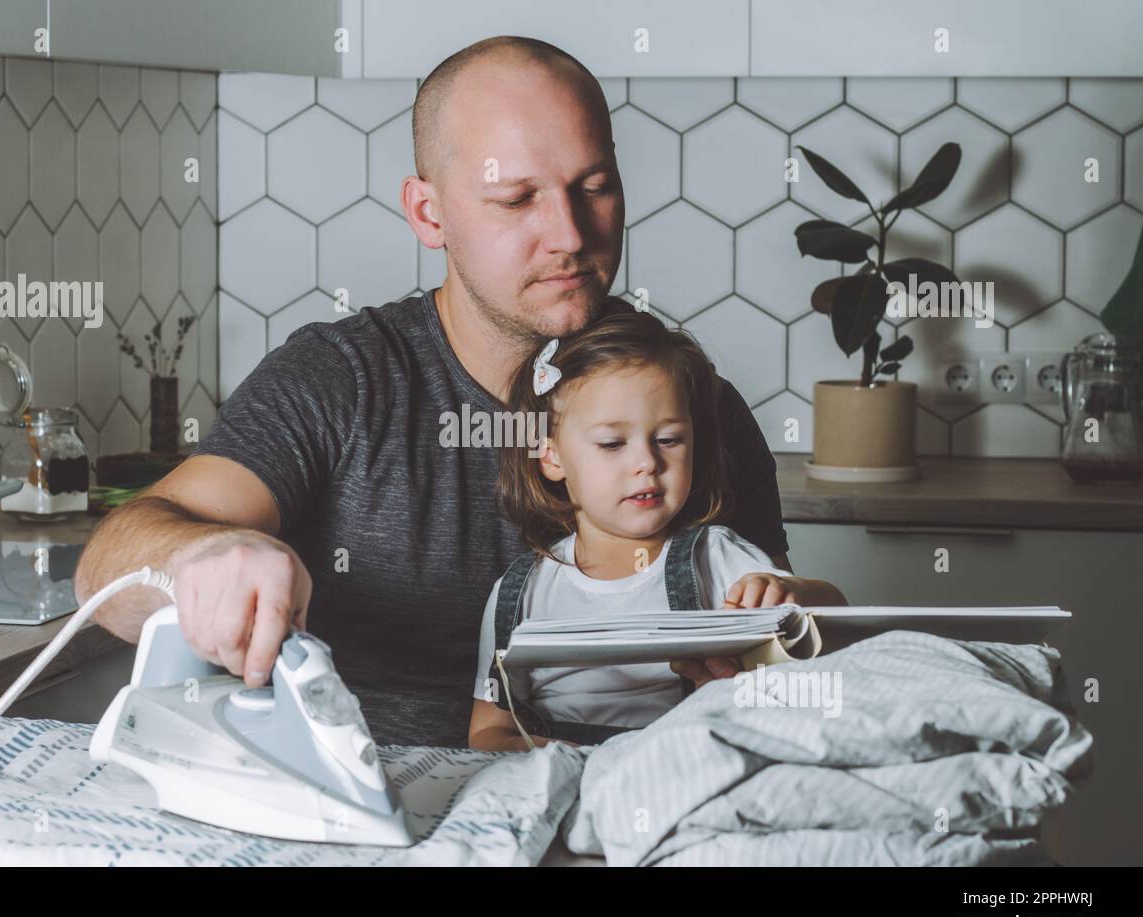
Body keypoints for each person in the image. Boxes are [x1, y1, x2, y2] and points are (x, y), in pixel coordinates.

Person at [74, 35, 796, 748]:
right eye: (516, 200)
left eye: (594, 187)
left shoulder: (696, 405)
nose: (569, 234)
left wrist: (764, 670)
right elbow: (109, 561)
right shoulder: (341, 379)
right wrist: (208, 556)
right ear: (429, 214)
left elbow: (787, 637)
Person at [468, 313, 847, 752]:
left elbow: (835, 622)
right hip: (563, 778)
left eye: (668, 439)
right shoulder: (522, 593)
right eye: (612, 444)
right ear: (551, 457)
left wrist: (795, 594)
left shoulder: (719, 558)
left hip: (688, 767)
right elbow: (487, 732)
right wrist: (564, 759)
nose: (647, 462)